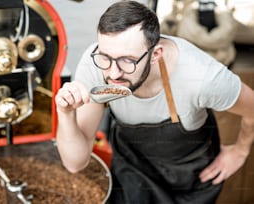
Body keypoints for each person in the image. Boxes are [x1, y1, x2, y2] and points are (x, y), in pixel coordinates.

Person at [55, 1, 254, 203]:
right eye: (106, 57)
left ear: (155, 54)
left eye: (128, 61)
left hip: (190, 180)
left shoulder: (203, 78)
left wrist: (240, 151)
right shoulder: (95, 64)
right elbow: (75, 163)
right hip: (132, 169)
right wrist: (66, 114)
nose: (113, 73)